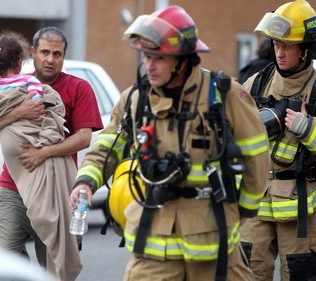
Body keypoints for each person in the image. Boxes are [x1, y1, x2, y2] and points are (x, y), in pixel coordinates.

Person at [70, 6, 269, 281]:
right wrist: (85, 182)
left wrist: (243, 210)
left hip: (212, 239)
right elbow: (107, 145)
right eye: (146, 56)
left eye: (159, 58)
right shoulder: (135, 99)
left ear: (183, 59)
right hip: (153, 235)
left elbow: (256, 156)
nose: (149, 65)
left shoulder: (224, 95)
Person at [0, 27, 103, 281]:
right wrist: (19, 114)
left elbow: (84, 137)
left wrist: (43, 152)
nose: (50, 59)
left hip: (55, 190)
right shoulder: (12, 86)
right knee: (6, 255)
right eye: (45, 52)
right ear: (32, 53)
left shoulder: (79, 88)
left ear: (64, 56)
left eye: (57, 54)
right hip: (13, 187)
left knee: (53, 262)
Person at [239, 1, 316, 280]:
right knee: (248, 273)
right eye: (276, 45)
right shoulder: (256, 83)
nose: (279, 53)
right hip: (257, 203)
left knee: (298, 275)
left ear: (305, 49)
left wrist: (306, 128)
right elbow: (230, 130)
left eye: (287, 46)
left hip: (300, 211)